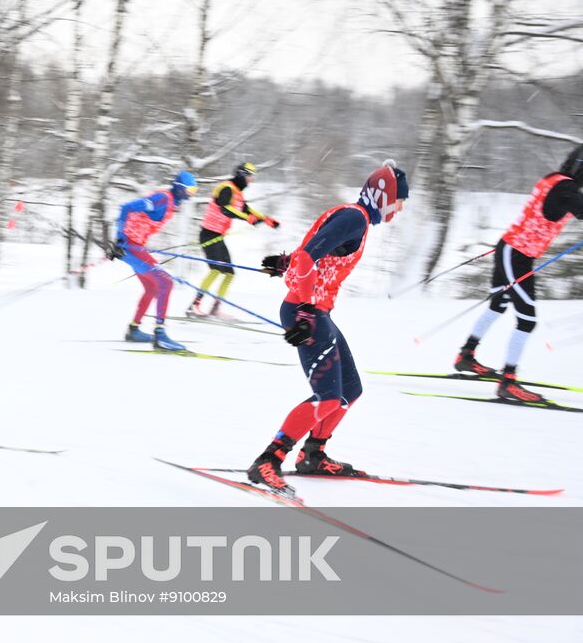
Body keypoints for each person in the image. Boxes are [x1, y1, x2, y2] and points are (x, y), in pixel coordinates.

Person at [246, 160, 410, 493]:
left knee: (350, 390)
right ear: (383, 196)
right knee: (328, 397)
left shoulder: (354, 218)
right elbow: (309, 256)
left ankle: (313, 455)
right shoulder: (355, 218)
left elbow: (313, 253)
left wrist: (285, 263)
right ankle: (269, 460)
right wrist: (306, 309)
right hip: (306, 312)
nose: (400, 209)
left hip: (317, 311)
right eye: (398, 201)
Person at [453, 145, 583, 404]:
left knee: (498, 306)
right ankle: (508, 382)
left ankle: (466, 356)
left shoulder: (554, 180)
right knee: (527, 320)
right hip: (517, 256)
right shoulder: (566, 188)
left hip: (510, 249)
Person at [108, 170, 200, 352]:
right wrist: (119, 239)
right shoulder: (162, 199)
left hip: (136, 246)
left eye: (194, 192)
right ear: (179, 187)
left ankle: (134, 330)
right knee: (166, 282)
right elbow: (127, 207)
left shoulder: (171, 203)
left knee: (153, 287)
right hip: (129, 246)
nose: (190, 195)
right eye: (189, 190)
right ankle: (160, 335)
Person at [189, 161, 279, 319]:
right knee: (216, 270)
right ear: (242, 175)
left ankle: (215, 308)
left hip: (218, 236)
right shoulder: (226, 188)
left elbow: (247, 210)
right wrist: (248, 219)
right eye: (250, 176)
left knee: (229, 273)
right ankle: (194, 306)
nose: (252, 180)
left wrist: (266, 219)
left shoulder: (237, 193)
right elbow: (226, 209)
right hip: (208, 234)